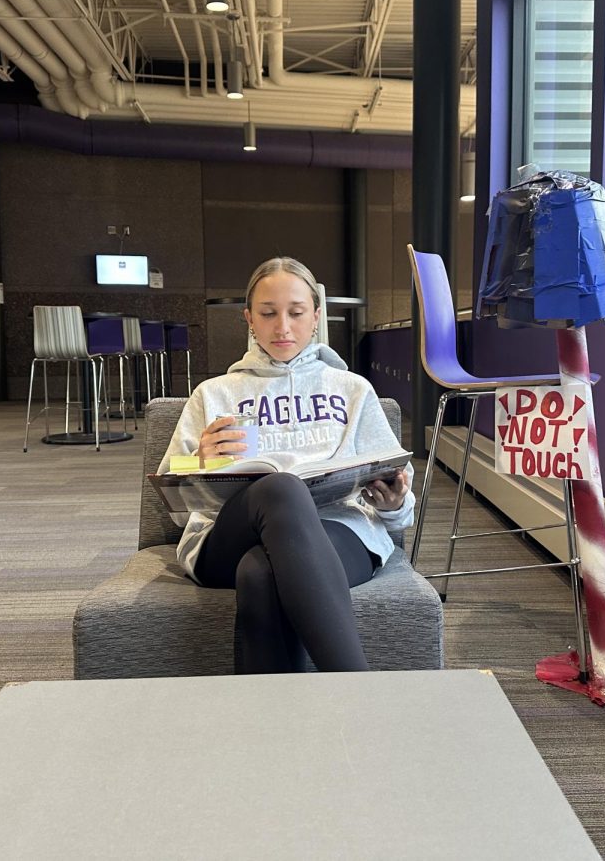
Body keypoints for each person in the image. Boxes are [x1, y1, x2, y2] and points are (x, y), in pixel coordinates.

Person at [157, 257, 415, 674]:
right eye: (268, 313)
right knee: (282, 488)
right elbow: (171, 493)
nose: (283, 327)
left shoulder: (352, 390)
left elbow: (402, 507)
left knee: (259, 575)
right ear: (249, 319)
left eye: (296, 313)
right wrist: (198, 461)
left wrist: (393, 501)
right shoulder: (214, 392)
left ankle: (271, 729)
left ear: (316, 317)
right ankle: (364, 694)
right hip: (226, 536)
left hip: (339, 531)